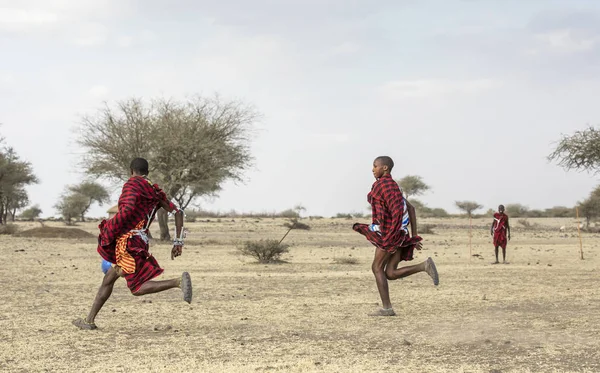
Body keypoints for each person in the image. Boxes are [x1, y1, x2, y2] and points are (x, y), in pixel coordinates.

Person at [72, 158, 192, 330]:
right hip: (140, 240)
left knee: (137, 288)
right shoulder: (154, 192)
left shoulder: (132, 185)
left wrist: (110, 227)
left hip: (128, 242)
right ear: (147, 172)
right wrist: (178, 242)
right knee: (109, 279)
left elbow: (127, 210)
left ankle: (178, 282)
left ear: (131, 171)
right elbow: (178, 212)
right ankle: (89, 321)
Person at [353, 156, 439, 316]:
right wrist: (413, 235)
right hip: (399, 233)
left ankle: (387, 309)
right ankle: (424, 266)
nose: (372, 169)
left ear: (385, 168)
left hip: (390, 234)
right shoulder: (393, 187)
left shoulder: (383, 185)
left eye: (375, 166)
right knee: (390, 273)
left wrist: (391, 233)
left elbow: (397, 211)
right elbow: (411, 209)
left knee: (376, 267)